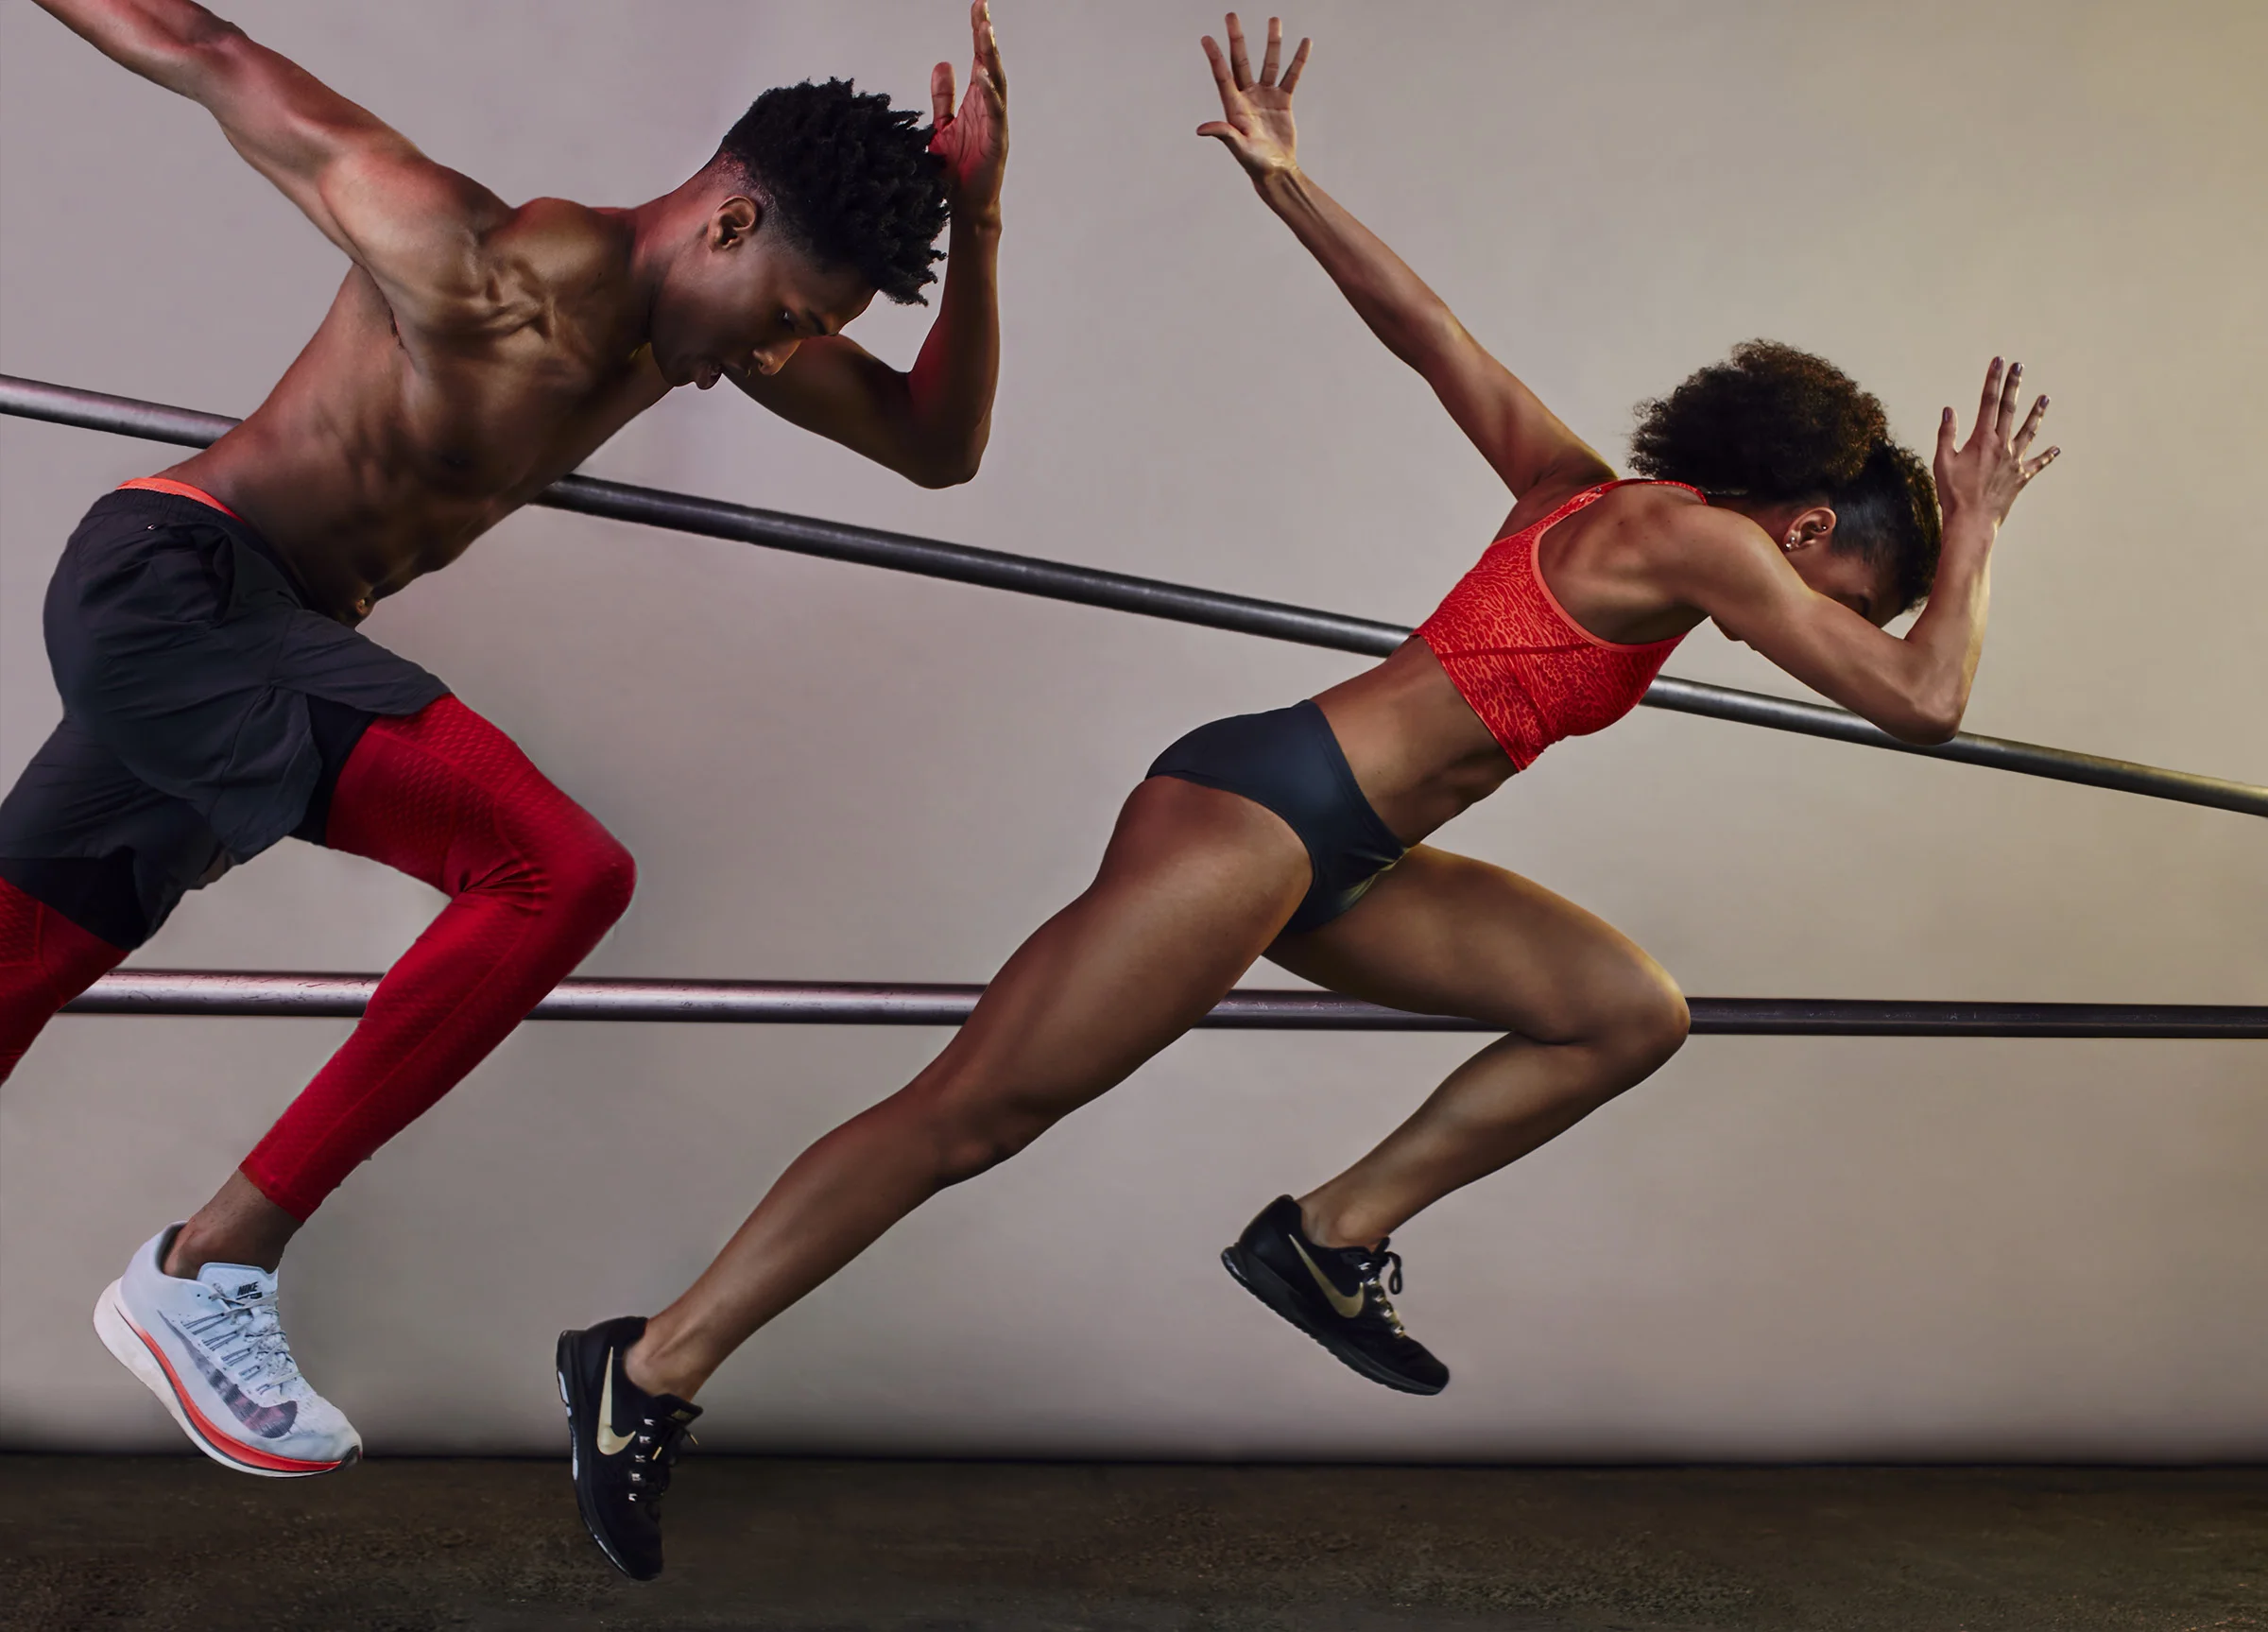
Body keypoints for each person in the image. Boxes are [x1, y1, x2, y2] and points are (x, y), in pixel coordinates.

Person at [553, 11, 2054, 1579]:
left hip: (1345, 855)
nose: (1822, 630)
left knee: (1626, 1010)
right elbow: (1924, 701)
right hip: (1260, 819)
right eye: (1850, 598)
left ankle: (1328, 1236)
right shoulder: (1707, 542)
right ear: (1806, 530)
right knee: (971, 1113)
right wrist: (1977, 533)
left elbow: (1430, 332)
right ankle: (649, 1364)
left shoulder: (1593, 497)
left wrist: (1287, 181)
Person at [0, 0, 1008, 1482]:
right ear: (730, 224)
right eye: (792, 314)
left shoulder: (696, 333)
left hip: (255, 650)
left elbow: (937, 446)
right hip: (180, 587)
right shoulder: (466, 257)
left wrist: (977, 226)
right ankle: (207, 1267)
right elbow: (207, 54)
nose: (785, 352)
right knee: (558, 870)